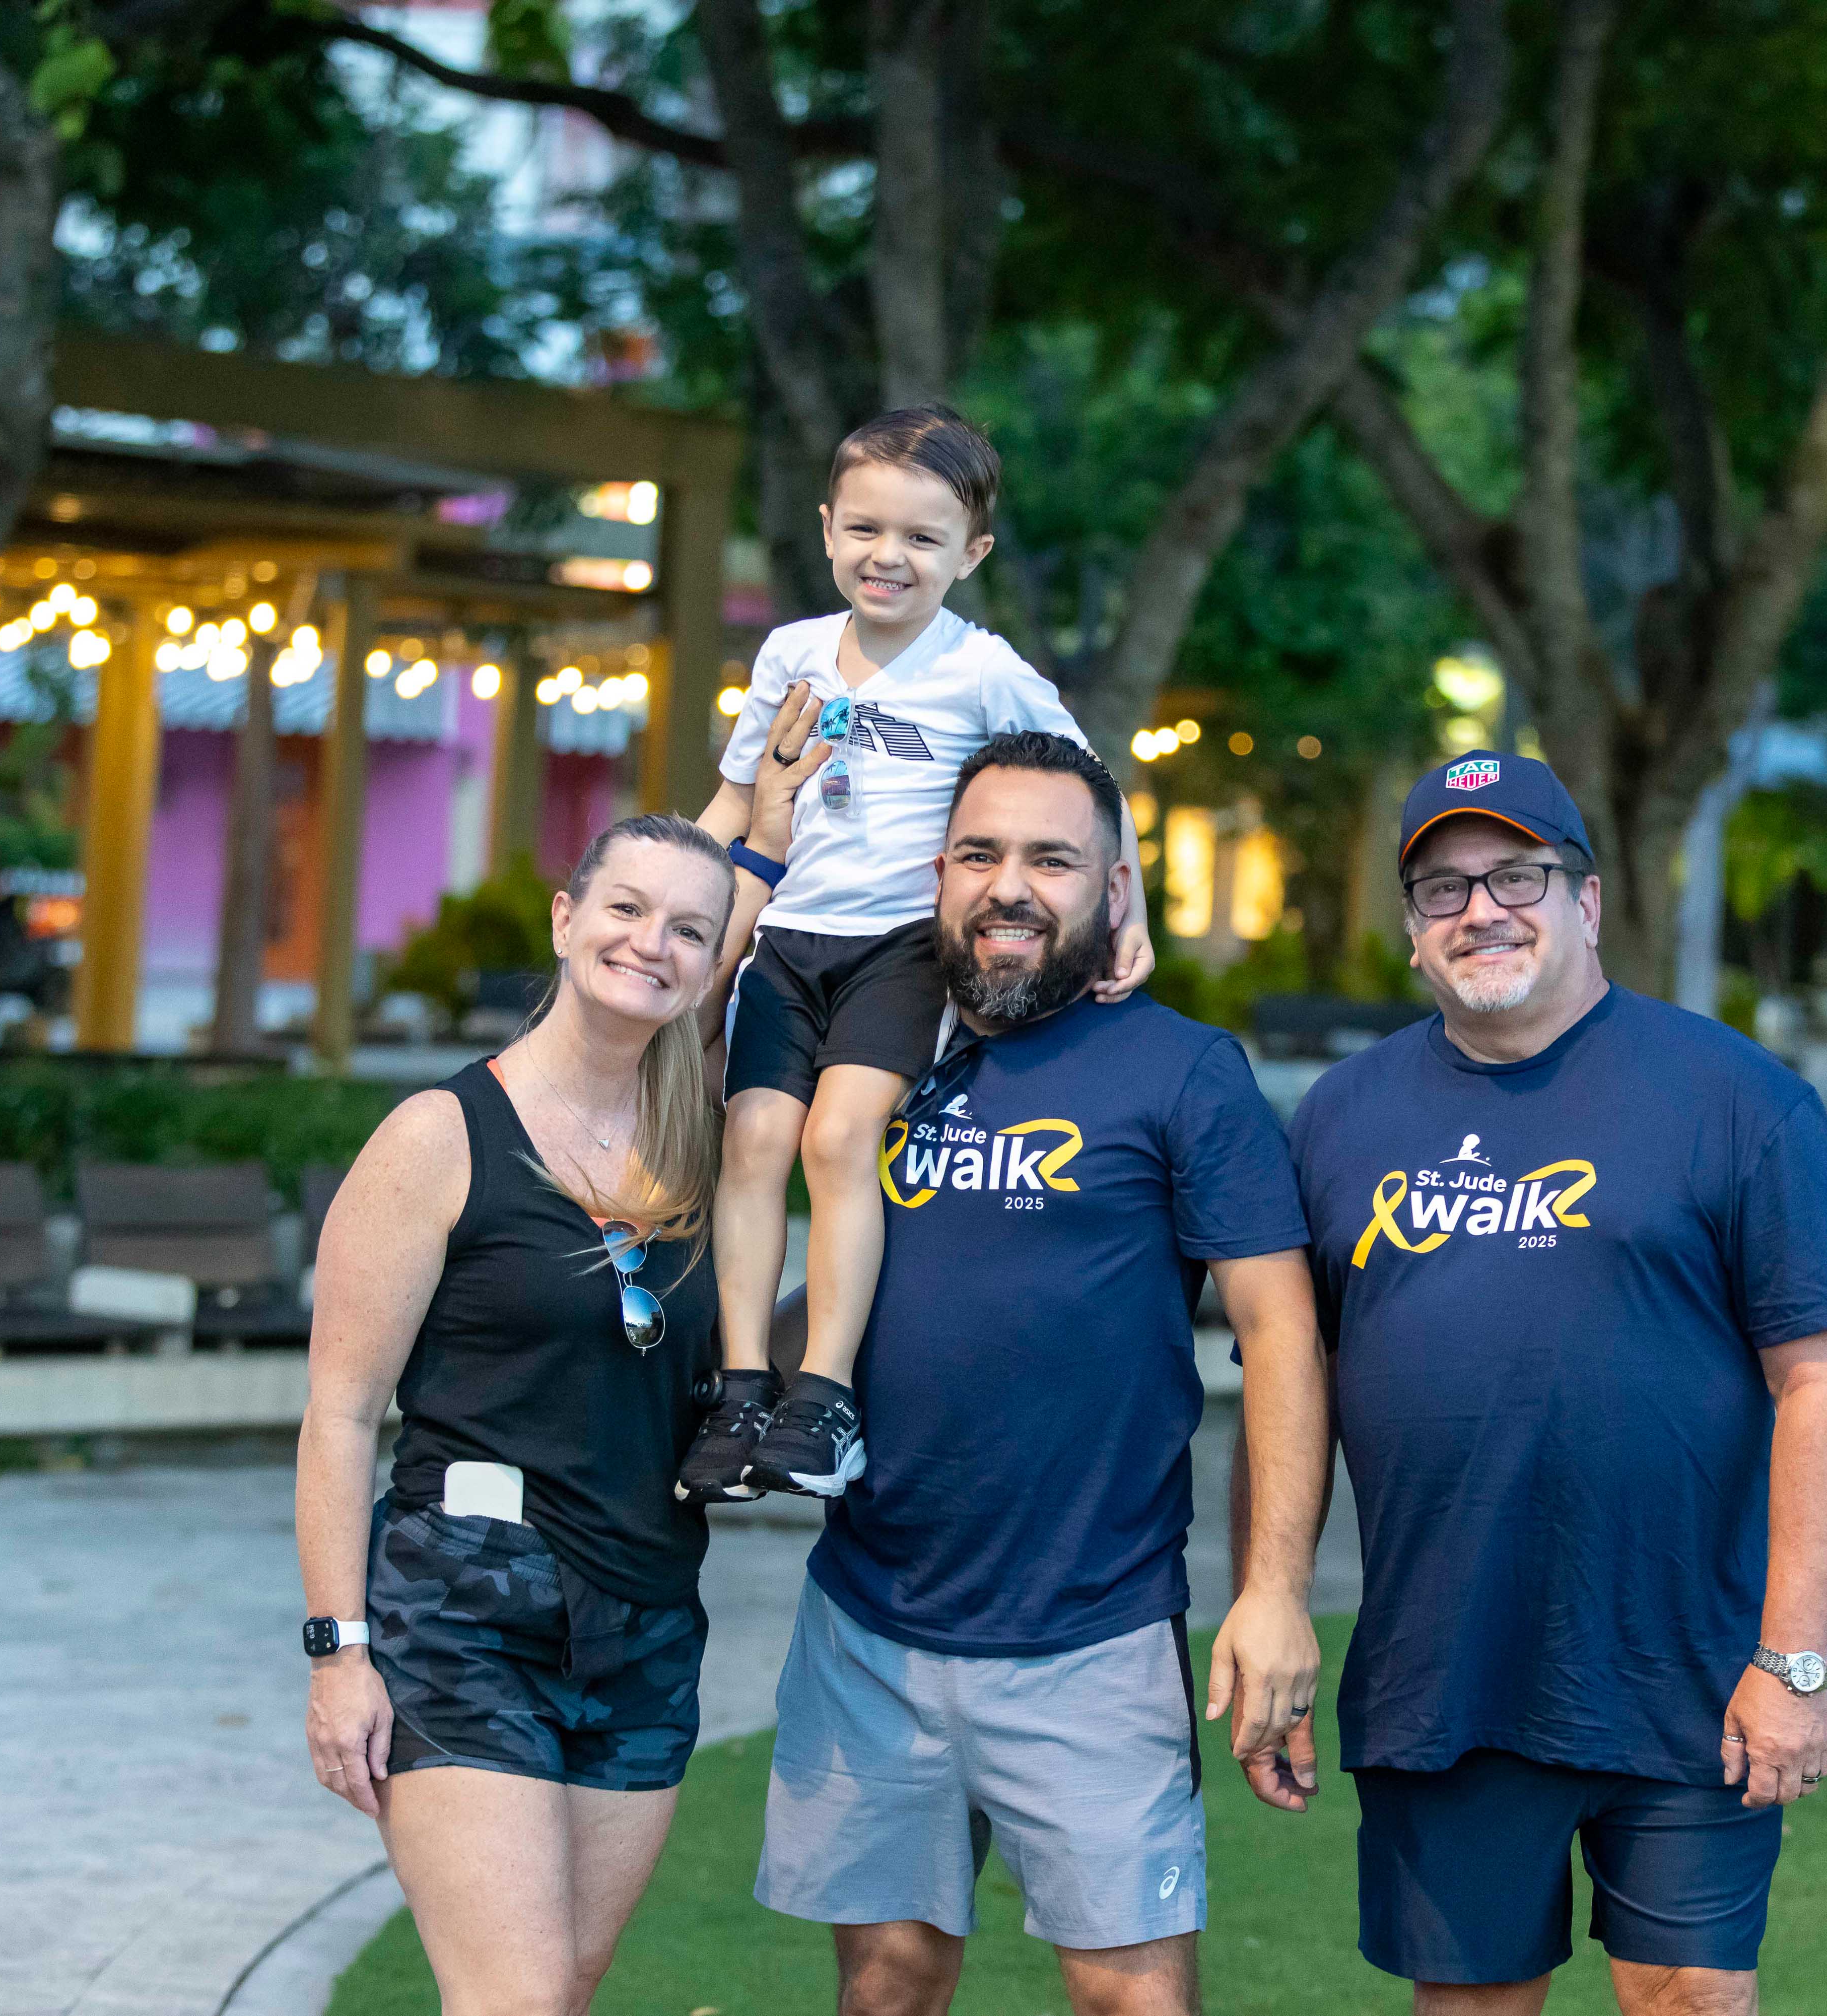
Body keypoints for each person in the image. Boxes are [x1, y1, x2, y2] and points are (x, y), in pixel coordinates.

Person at [1267, 750, 1827, 2016]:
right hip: (1446, 1670)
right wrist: (1270, 1599)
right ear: (1411, 928)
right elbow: (1293, 1388)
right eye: (1443, 888)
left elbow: (1822, 1384)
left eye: (1517, 876)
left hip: (1688, 1672)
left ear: (1586, 900)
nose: (1482, 909)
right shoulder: (1339, 1117)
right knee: (1474, 2006)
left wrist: (1797, 1661)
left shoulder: (1740, 1102)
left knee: (1691, 1998)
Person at [754, 731, 1326, 2016]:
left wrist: (1273, 1590)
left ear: (1115, 892)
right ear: (938, 875)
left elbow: (1283, 1334)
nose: (1010, 885)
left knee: (1132, 1999)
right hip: (869, 1615)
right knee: (888, 1985)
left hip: (1091, 1628)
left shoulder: (1184, 1072)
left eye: (1053, 859)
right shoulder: (878, 1064)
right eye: (980, 853)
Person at [292, 692, 825, 2013]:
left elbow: (746, 1352)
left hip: (649, 1617)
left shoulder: (711, 1154)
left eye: (689, 933)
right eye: (625, 909)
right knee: (518, 2000)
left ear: (717, 966)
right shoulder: (440, 1137)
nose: (652, 943)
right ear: (565, 918)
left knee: (562, 1991)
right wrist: (339, 1652)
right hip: (467, 1610)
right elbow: (341, 1413)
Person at [684, 405, 1151, 1505]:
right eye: (865, 529)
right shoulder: (791, 652)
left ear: (971, 555)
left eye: (923, 539)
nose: (888, 557)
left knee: (842, 1139)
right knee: (753, 1140)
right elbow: (735, 797)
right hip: (790, 943)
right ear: (828, 528)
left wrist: (1128, 906)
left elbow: (1093, 791)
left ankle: (826, 1397)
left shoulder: (981, 669)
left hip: (898, 946)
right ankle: (744, 1385)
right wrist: (672, 898)